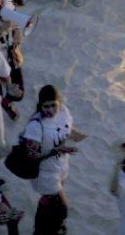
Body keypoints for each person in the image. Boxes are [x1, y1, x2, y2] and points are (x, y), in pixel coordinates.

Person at [22, 85, 88, 235]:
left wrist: (76, 134)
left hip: (61, 166)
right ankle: (51, 230)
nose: (50, 110)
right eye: (46, 106)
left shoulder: (64, 112)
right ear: (40, 105)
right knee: (62, 208)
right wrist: (56, 151)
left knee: (48, 202)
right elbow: (31, 157)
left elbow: (66, 127)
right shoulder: (35, 126)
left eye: (53, 105)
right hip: (45, 173)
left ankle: (39, 230)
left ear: (59, 102)